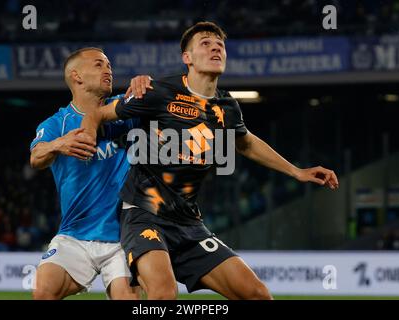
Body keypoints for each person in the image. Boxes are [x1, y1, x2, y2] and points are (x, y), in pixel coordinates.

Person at [81, 22, 339, 300]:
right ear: (187, 58)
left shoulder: (227, 107)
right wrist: (85, 143)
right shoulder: (159, 92)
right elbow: (98, 115)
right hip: (144, 215)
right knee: (163, 294)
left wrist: (297, 172)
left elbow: (246, 142)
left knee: (258, 295)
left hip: (188, 224)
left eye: (220, 44)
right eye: (205, 43)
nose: (216, 47)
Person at [29, 47, 151, 300]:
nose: (108, 69)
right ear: (77, 76)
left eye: (109, 65)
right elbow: (36, 157)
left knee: (127, 299)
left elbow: (161, 98)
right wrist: (58, 144)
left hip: (122, 235)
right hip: (74, 234)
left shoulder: (123, 109)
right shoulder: (57, 123)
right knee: (43, 291)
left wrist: (146, 83)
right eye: (99, 65)